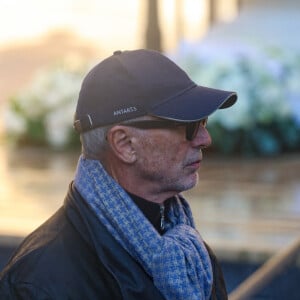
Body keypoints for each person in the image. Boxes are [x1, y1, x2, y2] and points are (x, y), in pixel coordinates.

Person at [0, 49, 237, 300]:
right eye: (188, 125)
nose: (204, 139)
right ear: (125, 144)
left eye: (204, 122)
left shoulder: (188, 252)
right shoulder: (39, 284)